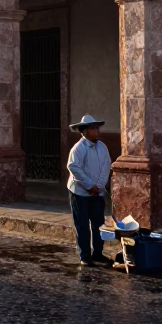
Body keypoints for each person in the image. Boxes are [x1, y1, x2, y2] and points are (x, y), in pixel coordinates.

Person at [66, 114, 113, 267]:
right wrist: (89, 185)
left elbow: (107, 166)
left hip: (96, 192)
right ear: (84, 131)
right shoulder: (78, 148)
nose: (97, 131)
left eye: (97, 128)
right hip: (80, 193)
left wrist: (99, 185)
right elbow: (73, 167)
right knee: (82, 224)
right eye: (93, 128)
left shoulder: (102, 147)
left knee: (99, 224)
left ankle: (98, 253)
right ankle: (85, 255)